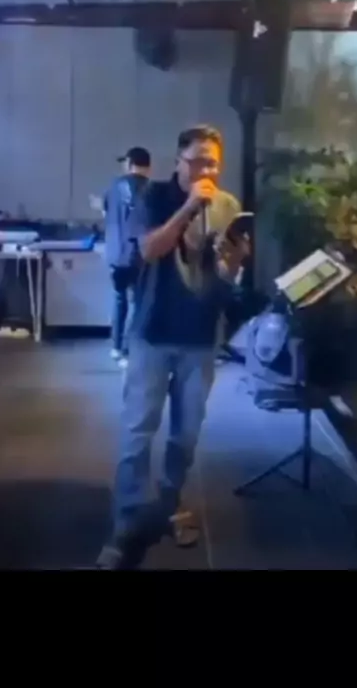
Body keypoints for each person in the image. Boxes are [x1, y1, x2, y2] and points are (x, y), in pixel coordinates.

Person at [97, 124, 250, 569]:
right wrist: (187, 207)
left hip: (200, 336)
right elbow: (149, 249)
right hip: (152, 332)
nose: (207, 170)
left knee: (185, 435)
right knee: (137, 431)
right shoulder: (154, 196)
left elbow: (225, 277)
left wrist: (236, 261)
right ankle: (127, 521)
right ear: (179, 161)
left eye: (213, 163)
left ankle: (168, 504)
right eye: (198, 160)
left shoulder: (227, 206)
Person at [103, 146, 152, 367]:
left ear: (130, 164)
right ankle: (128, 349)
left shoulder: (114, 186)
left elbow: (106, 211)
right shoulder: (150, 189)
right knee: (139, 302)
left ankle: (116, 347)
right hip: (138, 254)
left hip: (115, 254)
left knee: (119, 298)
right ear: (148, 167)